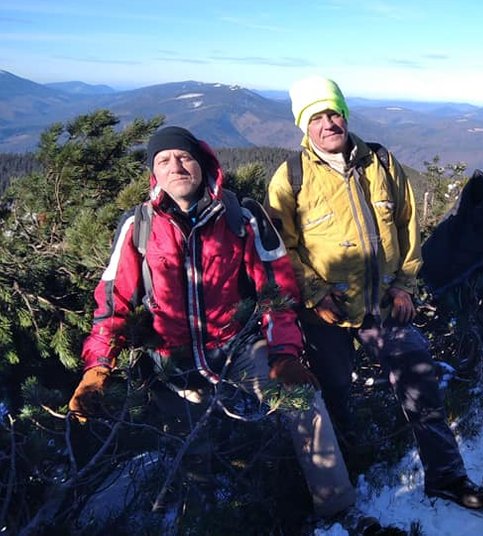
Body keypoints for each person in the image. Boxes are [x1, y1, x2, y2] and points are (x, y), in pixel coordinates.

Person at [67, 126, 373, 530]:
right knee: (192, 456)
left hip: (238, 346)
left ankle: (337, 507)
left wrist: (283, 353)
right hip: (171, 360)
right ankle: (207, 519)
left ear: (202, 163)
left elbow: (276, 288)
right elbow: (113, 302)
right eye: (163, 160)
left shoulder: (240, 216)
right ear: (153, 175)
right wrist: (97, 367)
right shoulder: (138, 226)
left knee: (301, 398)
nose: (175, 166)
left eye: (184, 157)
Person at [266, 75, 483, 510]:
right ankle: (352, 466)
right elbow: (282, 248)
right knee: (334, 392)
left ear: (345, 113)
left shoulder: (381, 163)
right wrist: (315, 292)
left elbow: (409, 228)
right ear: (304, 126)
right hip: (327, 312)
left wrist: (404, 285)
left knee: (419, 379)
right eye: (316, 117)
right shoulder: (290, 178)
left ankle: (447, 477)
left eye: (333, 112)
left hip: (384, 304)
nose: (328, 123)